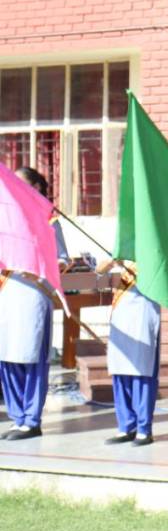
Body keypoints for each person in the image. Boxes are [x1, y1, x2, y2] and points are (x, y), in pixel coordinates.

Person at [0, 167, 70, 440]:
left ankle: (31, 419)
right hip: (8, 292)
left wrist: (39, 270)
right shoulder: (6, 220)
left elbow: (62, 260)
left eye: (21, 184)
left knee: (31, 356)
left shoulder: (48, 219)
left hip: (34, 294)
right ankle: (17, 416)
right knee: (8, 355)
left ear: (36, 188)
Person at [98, 259, 161, 446]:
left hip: (143, 313)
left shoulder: (154, 251)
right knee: (120, 369)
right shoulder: (123, 251)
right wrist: (112, 262)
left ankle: (143, 428)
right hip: (121, 315)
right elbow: (99, 270)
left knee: (142, 371)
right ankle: (126, 426)